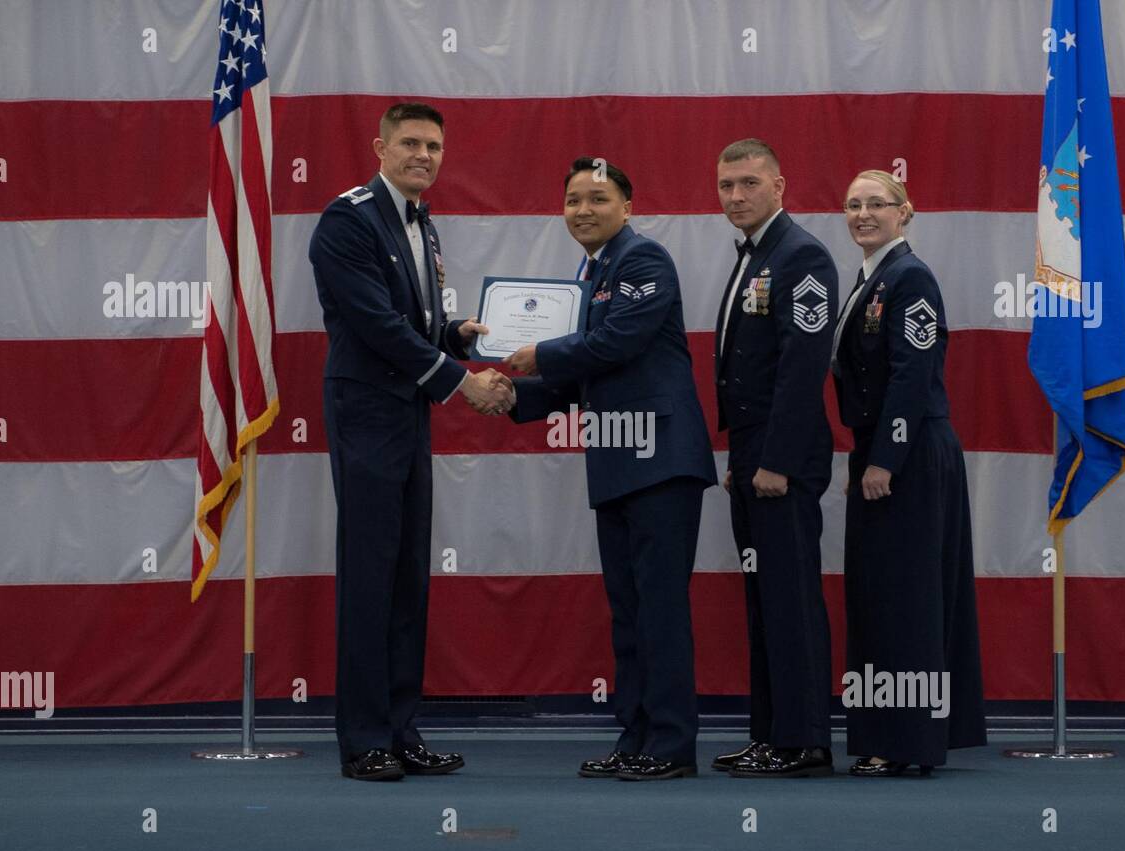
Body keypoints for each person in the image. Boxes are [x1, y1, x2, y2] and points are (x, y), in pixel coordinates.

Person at [309, 102, 512, 781]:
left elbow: (416, 321)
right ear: (379, 147)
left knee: (406, 579)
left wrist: (457, 336)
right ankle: (365, 739)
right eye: (411, 143)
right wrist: (460, 382)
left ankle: (401, 729)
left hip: (407, 411)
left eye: (434, 146)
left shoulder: (422, 223)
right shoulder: (348, 219)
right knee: (371, 575)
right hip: (367, 410)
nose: (424, 155)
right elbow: (374, 325)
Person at [501, 157, 717, 780]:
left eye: (597, 198)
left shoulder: (643, 260)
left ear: (627, 205)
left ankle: (671, 746)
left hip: (660, 461)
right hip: (619, 461)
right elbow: (587, 371)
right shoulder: (592, 272)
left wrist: (537, 356)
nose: (584, 210)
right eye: (572, 200)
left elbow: (617, 342)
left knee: (660, 609)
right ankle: (638, 736)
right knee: (630, 611)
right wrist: (513, 396)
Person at [832, 170, 987, 776]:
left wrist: (885, 459)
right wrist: (867, 456)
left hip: (913, 451)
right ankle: (885, 737)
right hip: (882, 450)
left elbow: (911, 375)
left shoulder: (910, 277)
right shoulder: (871, 279)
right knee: (878, 597)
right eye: (852, 205)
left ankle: (909, 744)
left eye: (876, 203)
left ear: (906, 212)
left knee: (908, 599)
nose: (862, 213)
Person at [709, 139, 839, 778]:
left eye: (748, 183)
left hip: (782, 460)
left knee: (789, 599)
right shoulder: (755, 253)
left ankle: (804, 741)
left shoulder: (802, 255)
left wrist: (777, 459)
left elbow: (802, 365)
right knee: (765, 599)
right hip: (754, 453)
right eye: (726, 185)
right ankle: (771, 735)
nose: (735, 196)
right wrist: (743, 451)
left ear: (780, 185)